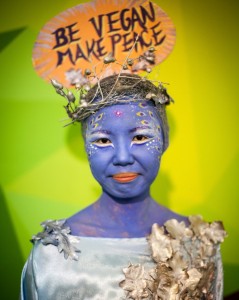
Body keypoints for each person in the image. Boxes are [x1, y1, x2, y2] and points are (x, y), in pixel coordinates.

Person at [20, 73, 226, 299]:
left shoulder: (200, 245)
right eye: (103, 140)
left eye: (139, 137)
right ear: (86, 147)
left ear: (164, 141)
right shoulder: (52, 255)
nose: (122, 157)